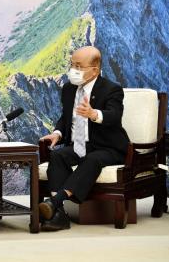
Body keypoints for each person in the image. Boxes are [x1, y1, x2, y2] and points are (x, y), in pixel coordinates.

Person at [39, 46, 129, 231]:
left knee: (92, 159)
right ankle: (59, 215)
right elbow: (65, 118)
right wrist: (57, 133)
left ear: (94, 70)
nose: (73, 70)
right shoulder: (69, 89)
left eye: (79, 66)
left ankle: (54, 201)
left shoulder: (112, 89)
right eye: (72, 65)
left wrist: (93, 113)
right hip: (80, 144)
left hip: (108, 147)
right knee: (57, 156)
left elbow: (114, 116)